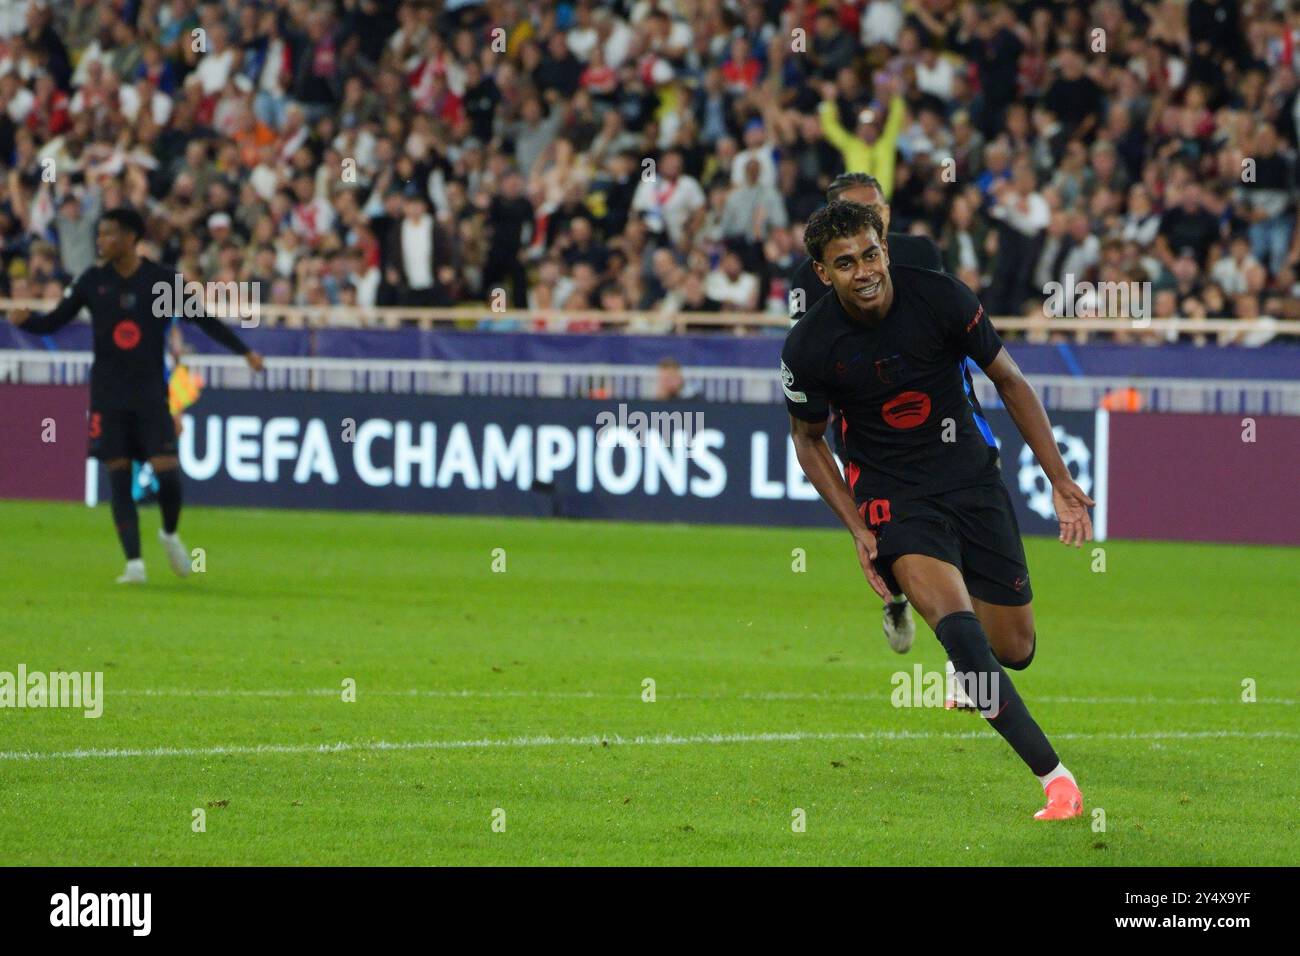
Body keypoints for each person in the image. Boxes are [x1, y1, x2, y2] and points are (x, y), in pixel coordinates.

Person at [781, 201, 1093, 820]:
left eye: (871, 254)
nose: (864, 270)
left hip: (972, 480)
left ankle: (956, 645)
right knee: (961, 633)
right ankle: (1056, 779)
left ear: (885, 249)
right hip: (894, 497)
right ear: (823, 273)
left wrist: (1057, 479)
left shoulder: (942, 297)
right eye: (846, 263)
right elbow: (808, 440)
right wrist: (858, 528)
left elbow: (1010, 380)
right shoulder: (810, 346)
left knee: (1016, 647)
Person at [7, 208, 264, 584]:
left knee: (168, 473)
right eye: (100, 234)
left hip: (149, 395)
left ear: (130, 238)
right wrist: (27, 321)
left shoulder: (161, 282)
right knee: (119, 475)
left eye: (108, 234)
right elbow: (57, 321)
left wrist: (244, 351)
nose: (101, 241)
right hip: (109, 395)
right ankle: (134, 564)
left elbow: (204, 320)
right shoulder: (93, 282)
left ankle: (170, 534)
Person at [790, 171, 946, 654]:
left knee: (961, 521)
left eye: (878, 208)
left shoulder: (920, 254)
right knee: (886, 531)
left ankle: (967, 661)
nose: (873, 216)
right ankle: (897, 596)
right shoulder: (807, 277)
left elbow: (942, 325)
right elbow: (811, 356)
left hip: (936, 411)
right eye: (861, 209)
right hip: (864, 424)